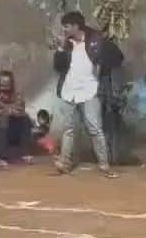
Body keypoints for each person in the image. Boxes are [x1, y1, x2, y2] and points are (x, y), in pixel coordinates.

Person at [52, 10, 121, 178]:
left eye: (67, 26)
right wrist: (60, 48)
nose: (64, 30)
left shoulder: (95, 41)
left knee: (95, 129)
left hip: (90, 90)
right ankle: (64, 163)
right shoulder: (66, 44)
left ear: (76, 26)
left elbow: (117, 57)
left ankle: (104, 165)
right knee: (68, 129)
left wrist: (103, 71)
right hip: (69, 90)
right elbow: (58, 67)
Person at [0, 70, 34, 169]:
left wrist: (8, 109)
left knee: (25, 118)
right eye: (3, 83)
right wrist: (8, 110)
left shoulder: (17, 94)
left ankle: (25, 154)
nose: (5, 85)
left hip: (13, 125)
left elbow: (20, 109)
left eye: (8, 83)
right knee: (3, 118)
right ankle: (2, 158)